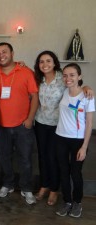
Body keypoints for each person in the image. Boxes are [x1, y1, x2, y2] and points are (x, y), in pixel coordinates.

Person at [34, 51, 94, 206]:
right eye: (41, 61)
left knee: (53, 158)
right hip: (41, 122)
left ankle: (54, 189)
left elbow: (76, 84)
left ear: (55, 63)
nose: (45, 64)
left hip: (58, 125)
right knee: (42, 156)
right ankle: (44, 185)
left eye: (48, 61)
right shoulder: (37, 78)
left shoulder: (62, 77)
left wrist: (87, 87)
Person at [0, 42, 39, 205]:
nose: (1, 55)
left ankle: (26, 188)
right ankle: (8, 184)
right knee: (4, 158)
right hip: (2, 126)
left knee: (25, 159)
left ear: (12, 53)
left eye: (4, 52)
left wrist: (30, 119)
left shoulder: (25, 72)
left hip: (22, 125)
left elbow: (34, 96)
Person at [55, 63, 94, 217]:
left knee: (75, 173)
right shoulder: (64, 91)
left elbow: (89, 123)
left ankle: (77, 202)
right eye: (65, 75)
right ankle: (67, 201)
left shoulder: (87, 96)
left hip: (78, 140)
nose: (68, 78)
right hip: (60, 138)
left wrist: (84, 147)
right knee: (63, 172)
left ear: (79, 77)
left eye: (72, 75)